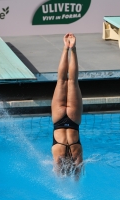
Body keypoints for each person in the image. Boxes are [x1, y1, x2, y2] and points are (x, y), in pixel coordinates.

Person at [51, 33, 83, 175]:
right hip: (58, 120)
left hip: (73, 120)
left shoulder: (77, 156)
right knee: (61, 80)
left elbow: (78, 174)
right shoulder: (58, 157)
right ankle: (65, 48)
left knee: (73, 81)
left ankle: (72, 49)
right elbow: (57, 173)